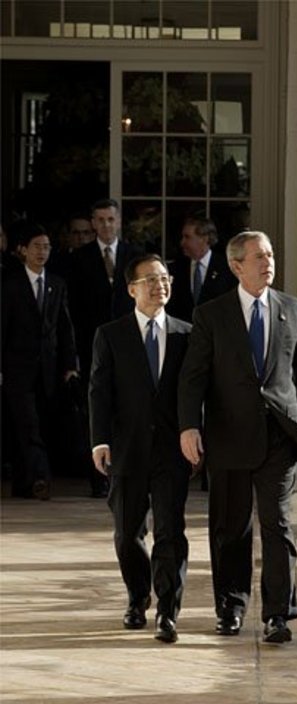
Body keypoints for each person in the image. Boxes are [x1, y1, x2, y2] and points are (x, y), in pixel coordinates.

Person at [178, 230, 297, 644]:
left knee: (276, 525)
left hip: (279, 437)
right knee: (231, 528)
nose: (268, 263)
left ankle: (279, 614)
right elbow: (193, 378)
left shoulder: (292, 308)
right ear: (236, 265)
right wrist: (189, 425)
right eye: (258, 256)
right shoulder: (211, 314)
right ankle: (231, 608)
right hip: (227, 437)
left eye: (271, 255)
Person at [89, 254, 192, 643]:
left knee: (170, 531)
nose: (159, 285)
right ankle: (137, 598)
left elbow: (195, 392)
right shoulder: (111, 335)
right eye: (149, 280)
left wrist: (194, 433)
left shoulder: (187, 334)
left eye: (164, 278)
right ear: (132, 288)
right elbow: (99, 392)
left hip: (172, 451)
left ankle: (168, 611)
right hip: (126, 449)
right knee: (127, 534)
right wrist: (100, 440)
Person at [68, 198, 141, 496]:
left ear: (119, 221)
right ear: (93, 223)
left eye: (111, 219)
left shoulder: (134, 256)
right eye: (100, 220)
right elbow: (71, 309)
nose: (106, 225)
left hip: (129, 345)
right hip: (91, 346)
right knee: (96, 408)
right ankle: (99, 478)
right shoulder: (78, 258)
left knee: (127, 407)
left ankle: (125, 472)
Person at [1, 224, 78, 499]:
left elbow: (64, 327)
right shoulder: (10, 285)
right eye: (36, 246)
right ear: (22, 250)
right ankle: (40, 478)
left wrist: (70, 365)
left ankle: (25, 484)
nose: (42, 252)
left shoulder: (56, 284)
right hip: (16, 370)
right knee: (27, 424)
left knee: (39, 425)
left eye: (46, 246)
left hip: (48, 369)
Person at [166, 215, 236, 323]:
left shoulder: (226, 267)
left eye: (187, 237)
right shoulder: (176, 268)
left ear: (204, 239)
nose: (182, 242)